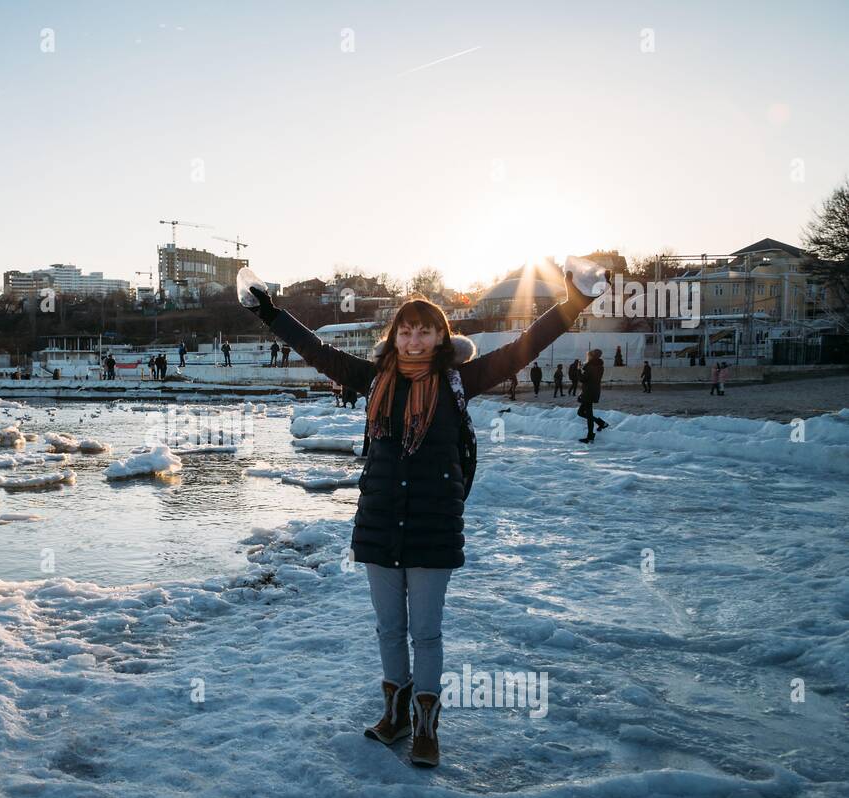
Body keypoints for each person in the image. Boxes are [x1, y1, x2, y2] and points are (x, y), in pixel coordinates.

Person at [246, 270, 601, 768]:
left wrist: (576, 300)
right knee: (389, 630)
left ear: (441, 337)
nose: (414, 339)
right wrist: (268, 312)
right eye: (406, 331)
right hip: (379, 524)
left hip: (434, 527)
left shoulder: (461, 381)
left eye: (425, 331)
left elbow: (526, 346)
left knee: (426, 633)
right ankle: (395, 716)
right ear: (395, 336)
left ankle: (427, 728)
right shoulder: (375, 379)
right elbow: (316, 351)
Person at [576, 349, 609, 443]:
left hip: (588, 393)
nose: (587, 357)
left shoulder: (591, 366)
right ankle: (601, 423)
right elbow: (590, 379)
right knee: (581, 412)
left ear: (592, 356)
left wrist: (578, 369)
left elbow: (583, 379)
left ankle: (590, 437)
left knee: (588, 415)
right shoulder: (599, 366)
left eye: (588, 356)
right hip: (593, 392)